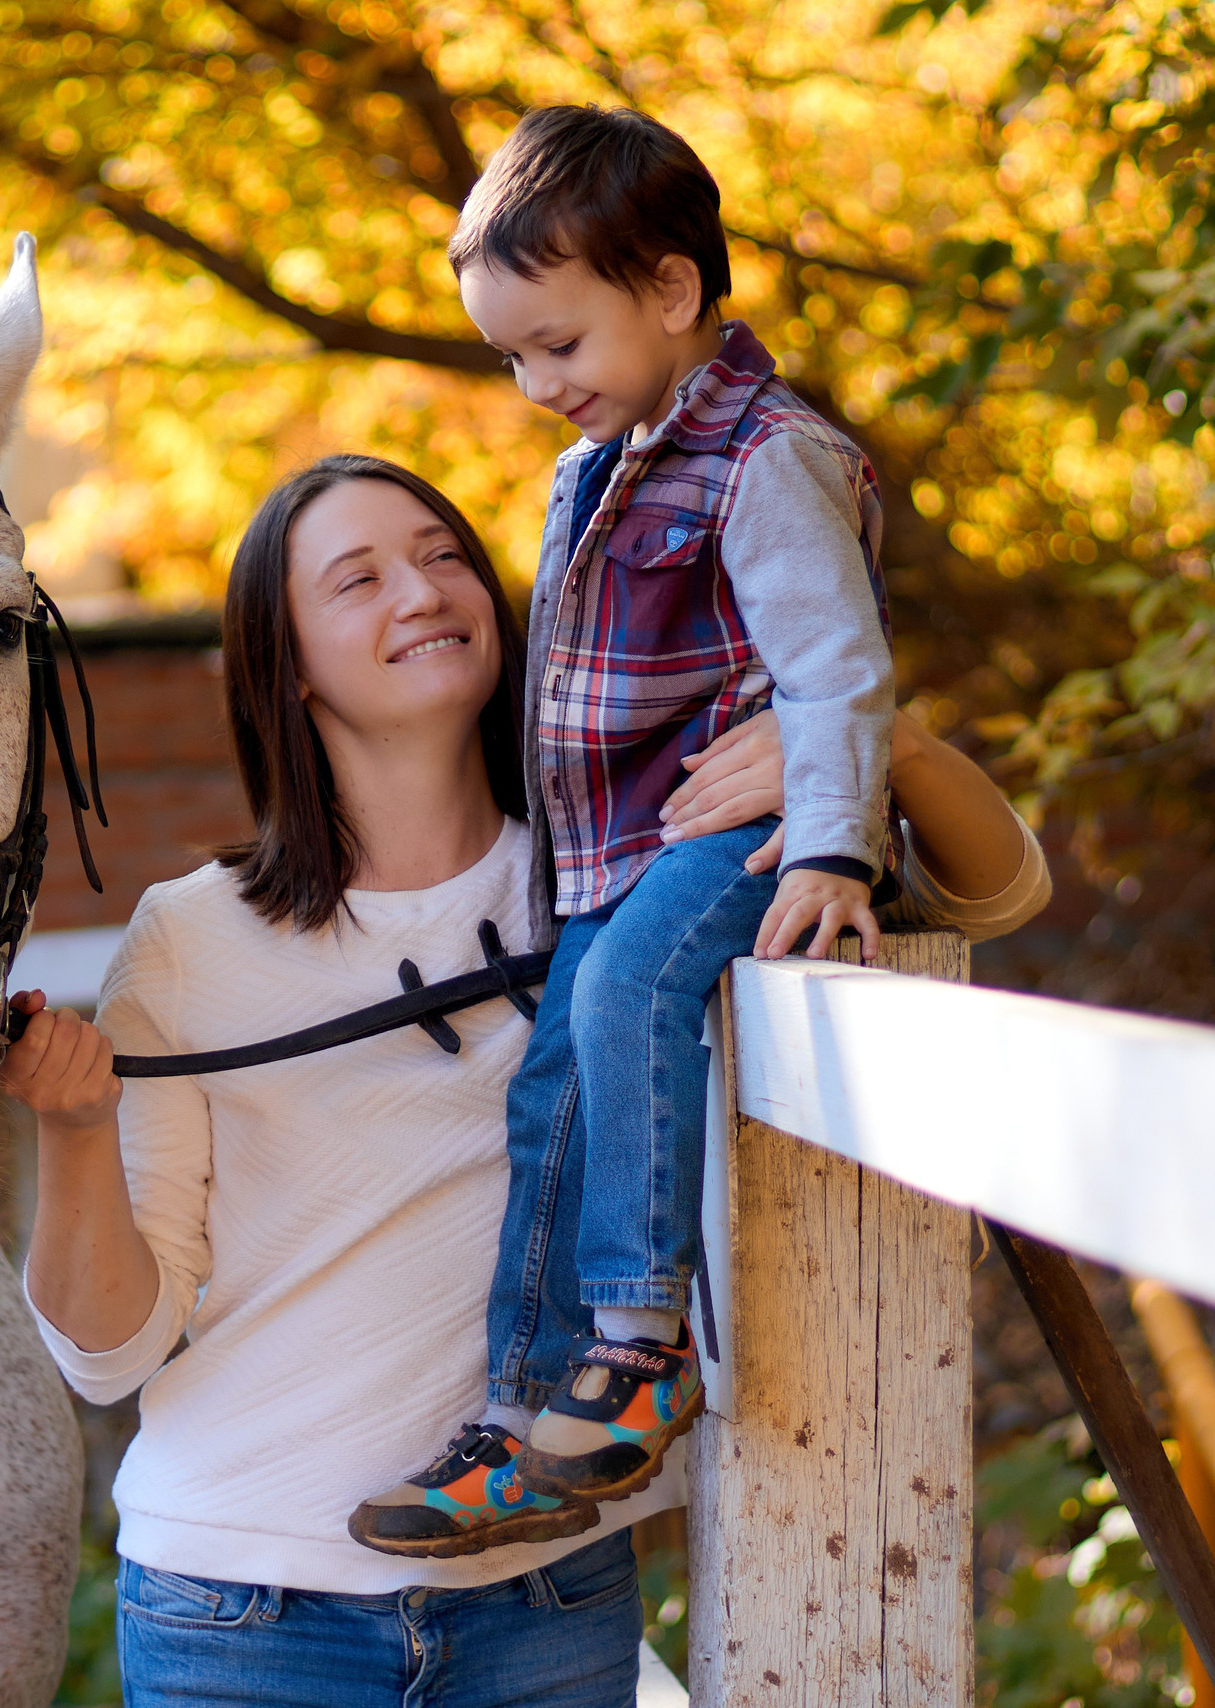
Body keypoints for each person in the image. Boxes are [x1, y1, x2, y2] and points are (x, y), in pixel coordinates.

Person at [3, 456, 1048, 1705]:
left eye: (445, 555)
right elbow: (109, 1358)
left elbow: (1000, 891)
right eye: (359, 578)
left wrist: (862, 742)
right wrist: (73, 1133)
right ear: (285, 665)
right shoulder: (193, 938)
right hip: (244, 1612)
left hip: (545, 1607)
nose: (422, 590)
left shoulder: (637, 882)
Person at [334, 104, 905, 1547]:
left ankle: (639, 1347)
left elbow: (836, 666)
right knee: (553, 1094)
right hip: (615, 852)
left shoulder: (765, 457)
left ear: (668, 290)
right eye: (512, 354)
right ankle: (524, 1420)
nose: (535, 381)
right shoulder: (591, 468)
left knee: (637, 990)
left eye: (560, 344)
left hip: (732, 836)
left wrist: (834, 842)